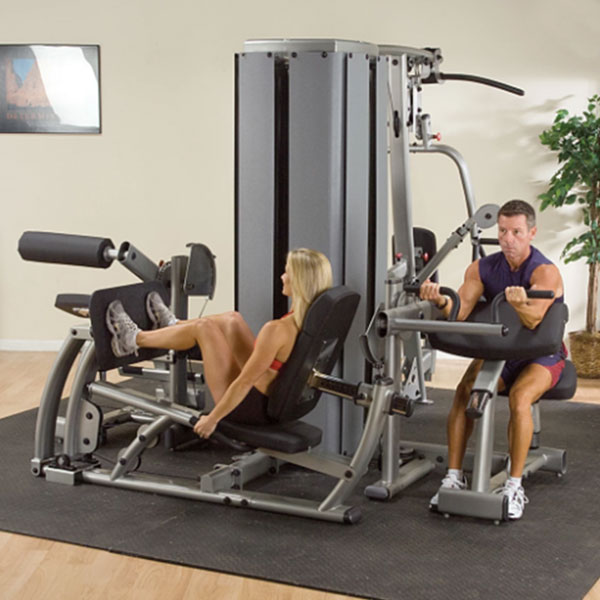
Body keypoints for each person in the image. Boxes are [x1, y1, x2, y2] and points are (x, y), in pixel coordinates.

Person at [420, 199, 566, 519]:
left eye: (516, 232)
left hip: (541, 355)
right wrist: (441, 299)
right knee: (464, 392)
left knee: (520, 397)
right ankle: (454, 478)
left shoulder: (545, 272)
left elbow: (534, 321)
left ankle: (514, 486)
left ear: (532, 233)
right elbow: (460, 312)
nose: (508, 239)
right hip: (501, 351)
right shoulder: (481, 268)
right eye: (502, 231)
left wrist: (520, 304)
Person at [105, 248, 333, 439]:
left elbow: (244, 382)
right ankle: (173, 325)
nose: (282, 277)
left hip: (249, 407)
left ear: (300, 281)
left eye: (287, 272)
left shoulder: (277, 330)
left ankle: (132, 339)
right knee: (232, 319)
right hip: (267, 398)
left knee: (204, 328)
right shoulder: (308, 322)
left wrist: (212, 419)